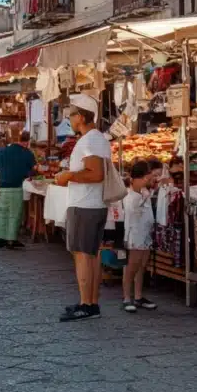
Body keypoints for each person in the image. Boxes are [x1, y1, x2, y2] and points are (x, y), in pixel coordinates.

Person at [55, 94, 112, 322]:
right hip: (90, 204)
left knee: (83, 256)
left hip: (85, 205)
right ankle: (88, 302)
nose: (69, 117)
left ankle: (87, 305)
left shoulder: (91, 140)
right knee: (89, 255)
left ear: (81, 116)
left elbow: (95, 174)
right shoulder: (94, 138)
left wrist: (68, 175)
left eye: (71, 113)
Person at [122, 161, 158, 313]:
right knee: (132, 266)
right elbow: (133, 213)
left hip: (145, 233)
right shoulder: (130, 195)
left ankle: (138, 296)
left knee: (142, 265)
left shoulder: (144, 192)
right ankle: (126, 298)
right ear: (142, 177)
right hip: (134, 234)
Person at [0, 126, 36, 249]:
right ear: (26, 141)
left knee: (2, 213)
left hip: (3, 187)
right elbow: (32, 170)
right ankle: (11, 239)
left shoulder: (2, 151)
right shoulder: (27, 153)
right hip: (16, 186)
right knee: (14, 215)